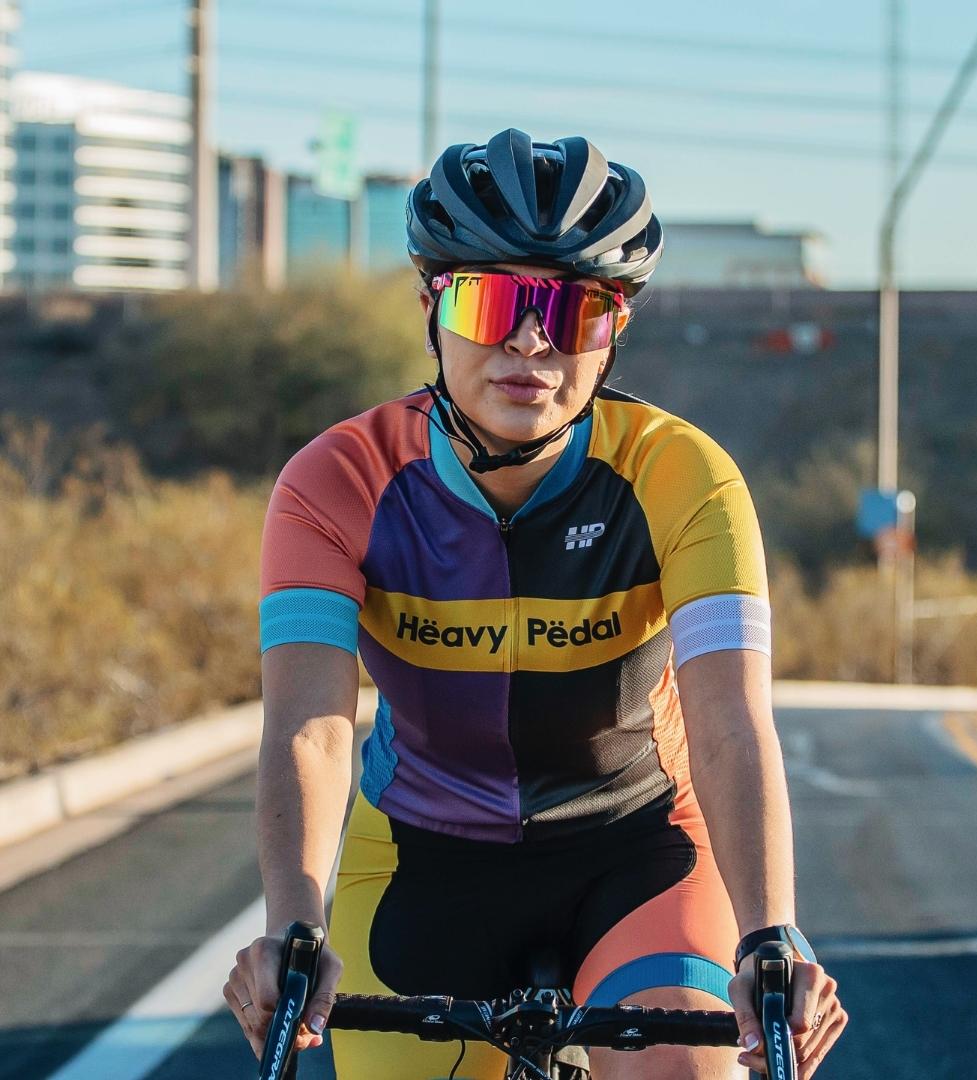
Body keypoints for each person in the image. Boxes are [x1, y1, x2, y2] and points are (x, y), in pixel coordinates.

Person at [225, 127, 846, 1079]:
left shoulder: (687, 477)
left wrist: (771, 934)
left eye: (573, 310)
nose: (529, 341)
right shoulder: (337, 480)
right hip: (425, 858)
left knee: (688, 1069)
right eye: (492, 301)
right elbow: (309, 728)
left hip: (640, 849)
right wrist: (294, 926)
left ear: (614, 332)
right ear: (432, 310)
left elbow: (730, 722)